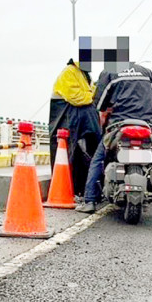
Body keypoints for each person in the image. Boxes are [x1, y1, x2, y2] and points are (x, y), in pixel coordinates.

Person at [75, 61, 152, 217]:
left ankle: (90, 201)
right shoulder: (147, 72)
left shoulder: (109, 72)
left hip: (119, 126)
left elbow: (99, 103)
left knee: (98, 160)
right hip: (146, 125)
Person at [48, 59, 103, 198]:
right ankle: (69, 188)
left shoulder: (83, 74)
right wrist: (94, 96)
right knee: (70, 151)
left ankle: (82, 188)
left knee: (86, 151)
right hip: (68, 117)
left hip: (78, 117)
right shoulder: (69, 72)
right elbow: (77, 98)